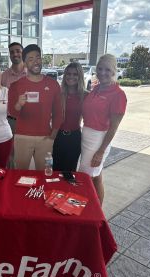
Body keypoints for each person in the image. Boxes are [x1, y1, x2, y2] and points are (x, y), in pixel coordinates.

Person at [78, 54, 127, 204]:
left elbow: (113, 127)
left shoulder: (118, 95)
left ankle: (92, 211)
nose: (102, 73)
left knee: (87, 177)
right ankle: (98, 210)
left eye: (107, 69)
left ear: (114, 71)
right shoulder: (96, 88)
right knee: (96, 175)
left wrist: (100, 151)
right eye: (100, 69)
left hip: (99, 140)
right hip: (86, 136)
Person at [8, 44, 63, 170]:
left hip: (45, 137)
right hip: (22, 136)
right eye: (31, 59)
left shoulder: (53, 84)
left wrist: (54, 133)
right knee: (20, 174)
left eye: (38, 58)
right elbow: (12, 112)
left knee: (44, 173)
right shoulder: (16, 85)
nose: (36, 62)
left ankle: (41, 191)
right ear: (25, 63)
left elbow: (58, 112)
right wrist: (18, 104)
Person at [53, 62, 87, 172]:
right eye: (68, 74)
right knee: (56, 171)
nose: (71, 77)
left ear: (80, 76)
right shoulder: (58, 94)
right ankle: (54, 190)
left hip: (74, 138)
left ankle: (68, 190)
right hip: (58, 137)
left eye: (75, 74)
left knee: (70, 172)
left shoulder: (86, 95)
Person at [1, 42, 27, 168]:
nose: (15, 54)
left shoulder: (32, 73)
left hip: (29, 121)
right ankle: (10, 183)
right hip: (10, 121)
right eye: (12, 52)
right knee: (10, 155)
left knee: (27, 153)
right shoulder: (4, 76)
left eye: (18, 51)